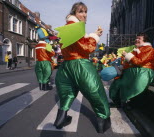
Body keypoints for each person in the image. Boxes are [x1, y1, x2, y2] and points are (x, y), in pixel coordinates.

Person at [54, 2, 111, 133]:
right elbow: (87, 48)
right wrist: (96, 36)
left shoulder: (67, 28)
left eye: (85, 12)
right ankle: (102, 122)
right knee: (95, 91)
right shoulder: (75, 27)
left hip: (66, 66)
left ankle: (61, 119)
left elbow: (76, 44)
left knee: (67, 92)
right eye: (81, 11)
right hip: (80, 64)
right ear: (74, 13)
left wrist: (92, 34)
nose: (84, 14)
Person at [109, 33, 154, 107]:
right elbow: (129, 62)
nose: (136, 40)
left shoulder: (149, 49)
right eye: (136, 38)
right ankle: (117, 101)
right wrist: (122, 67)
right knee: (118, 83)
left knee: (136, 85)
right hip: (131, 71)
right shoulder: (134, 49)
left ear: (145, 41)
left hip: (143, 71)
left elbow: (140, 62)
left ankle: (130, 103)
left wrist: (127, 55)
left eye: (139, 38)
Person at [35, 26, 55, 91]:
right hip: (46, 61)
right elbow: (52, 53)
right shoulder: (47, 45)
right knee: (47, 73)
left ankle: (41, 86)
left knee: (39, 73)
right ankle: (46, 87)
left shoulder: (37, 46)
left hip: (38, 62)